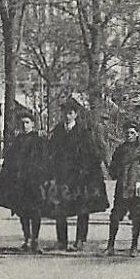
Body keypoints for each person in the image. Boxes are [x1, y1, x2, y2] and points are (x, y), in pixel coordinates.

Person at [46, 96, 109, 252]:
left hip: (80, 177)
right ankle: (62, 241)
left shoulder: (84, 132)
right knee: (59, 208)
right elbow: (51, 152)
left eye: (70, 113)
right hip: (62, 176)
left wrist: (86, 172)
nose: (67, 116)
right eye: (64, 113)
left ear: (75, 114)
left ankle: (80, 240)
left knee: (82, 208)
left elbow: (92, 154)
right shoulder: (58, 131)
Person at [0, 107, 49, 253]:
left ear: (33, 124)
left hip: (35, 182)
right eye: (22, 123)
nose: (25, 125)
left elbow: (44, 160)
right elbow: (10, 161)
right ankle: (27, 238)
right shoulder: (17, 141)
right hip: (21, 183)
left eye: (27, 122)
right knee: (23, 212)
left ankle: (35, 240)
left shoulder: (39, 140)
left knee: (35, 211)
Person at [106, 123, 140, 256]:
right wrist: (114, 173)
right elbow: (113, 166)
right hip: (122, 187)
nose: (129, 135)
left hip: (137, 187)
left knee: (136, 217)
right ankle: (110, 245)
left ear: (138, 134)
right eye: (127, 133)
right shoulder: (120, 150)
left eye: (132, 133)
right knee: (115, 217)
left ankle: (134, 246)